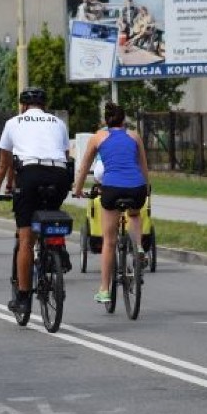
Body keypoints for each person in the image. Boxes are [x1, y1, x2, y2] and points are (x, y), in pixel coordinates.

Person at [0, 86, 72, 315]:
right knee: (52, 211)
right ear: (44, 105)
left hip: (31, 174)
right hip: (60, 175)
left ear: (23, 106)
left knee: (25, 238)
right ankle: (58, 248)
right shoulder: (58, 123)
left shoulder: (14, 123)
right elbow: (64, 155)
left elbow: (4, 163)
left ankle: (23, 297)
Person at [73, 102, 149, 303]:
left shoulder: (98, 137)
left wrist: (77, 189)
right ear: (124, 120)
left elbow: (84, 168)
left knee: (109, 241)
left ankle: (105, 290)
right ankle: (139, 247)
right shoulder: (134, 136)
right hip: (136, 187)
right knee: (134, 214)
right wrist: (146, 188)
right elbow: (143, 166)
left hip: (112, 189)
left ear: (105, 120)